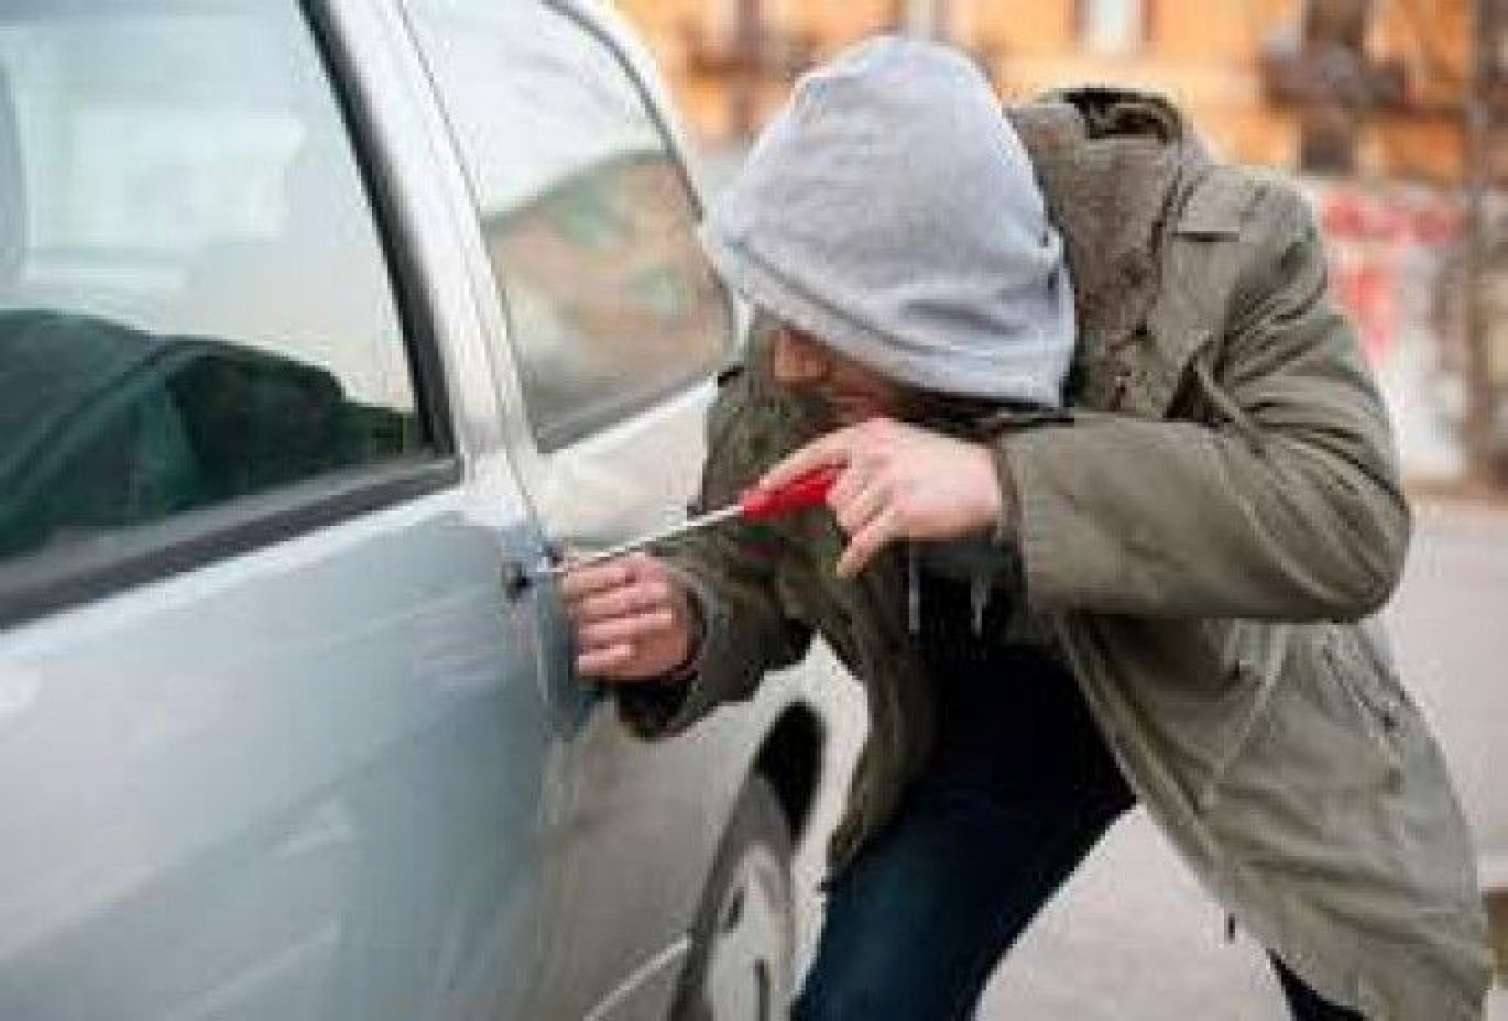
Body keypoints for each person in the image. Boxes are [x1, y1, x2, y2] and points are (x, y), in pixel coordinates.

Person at [561, 37, 1492, 1020]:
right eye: (780, 316)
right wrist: (689, 615)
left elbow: (1345, 516)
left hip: (1237, 683)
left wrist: (1004, 482)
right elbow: (748, 549)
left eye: (822, 334)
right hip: (1003, 702)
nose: (787, 364)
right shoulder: (817, 290)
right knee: (863, 1004)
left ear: (941, 310)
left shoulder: (1230, 250)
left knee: (1383, 997)